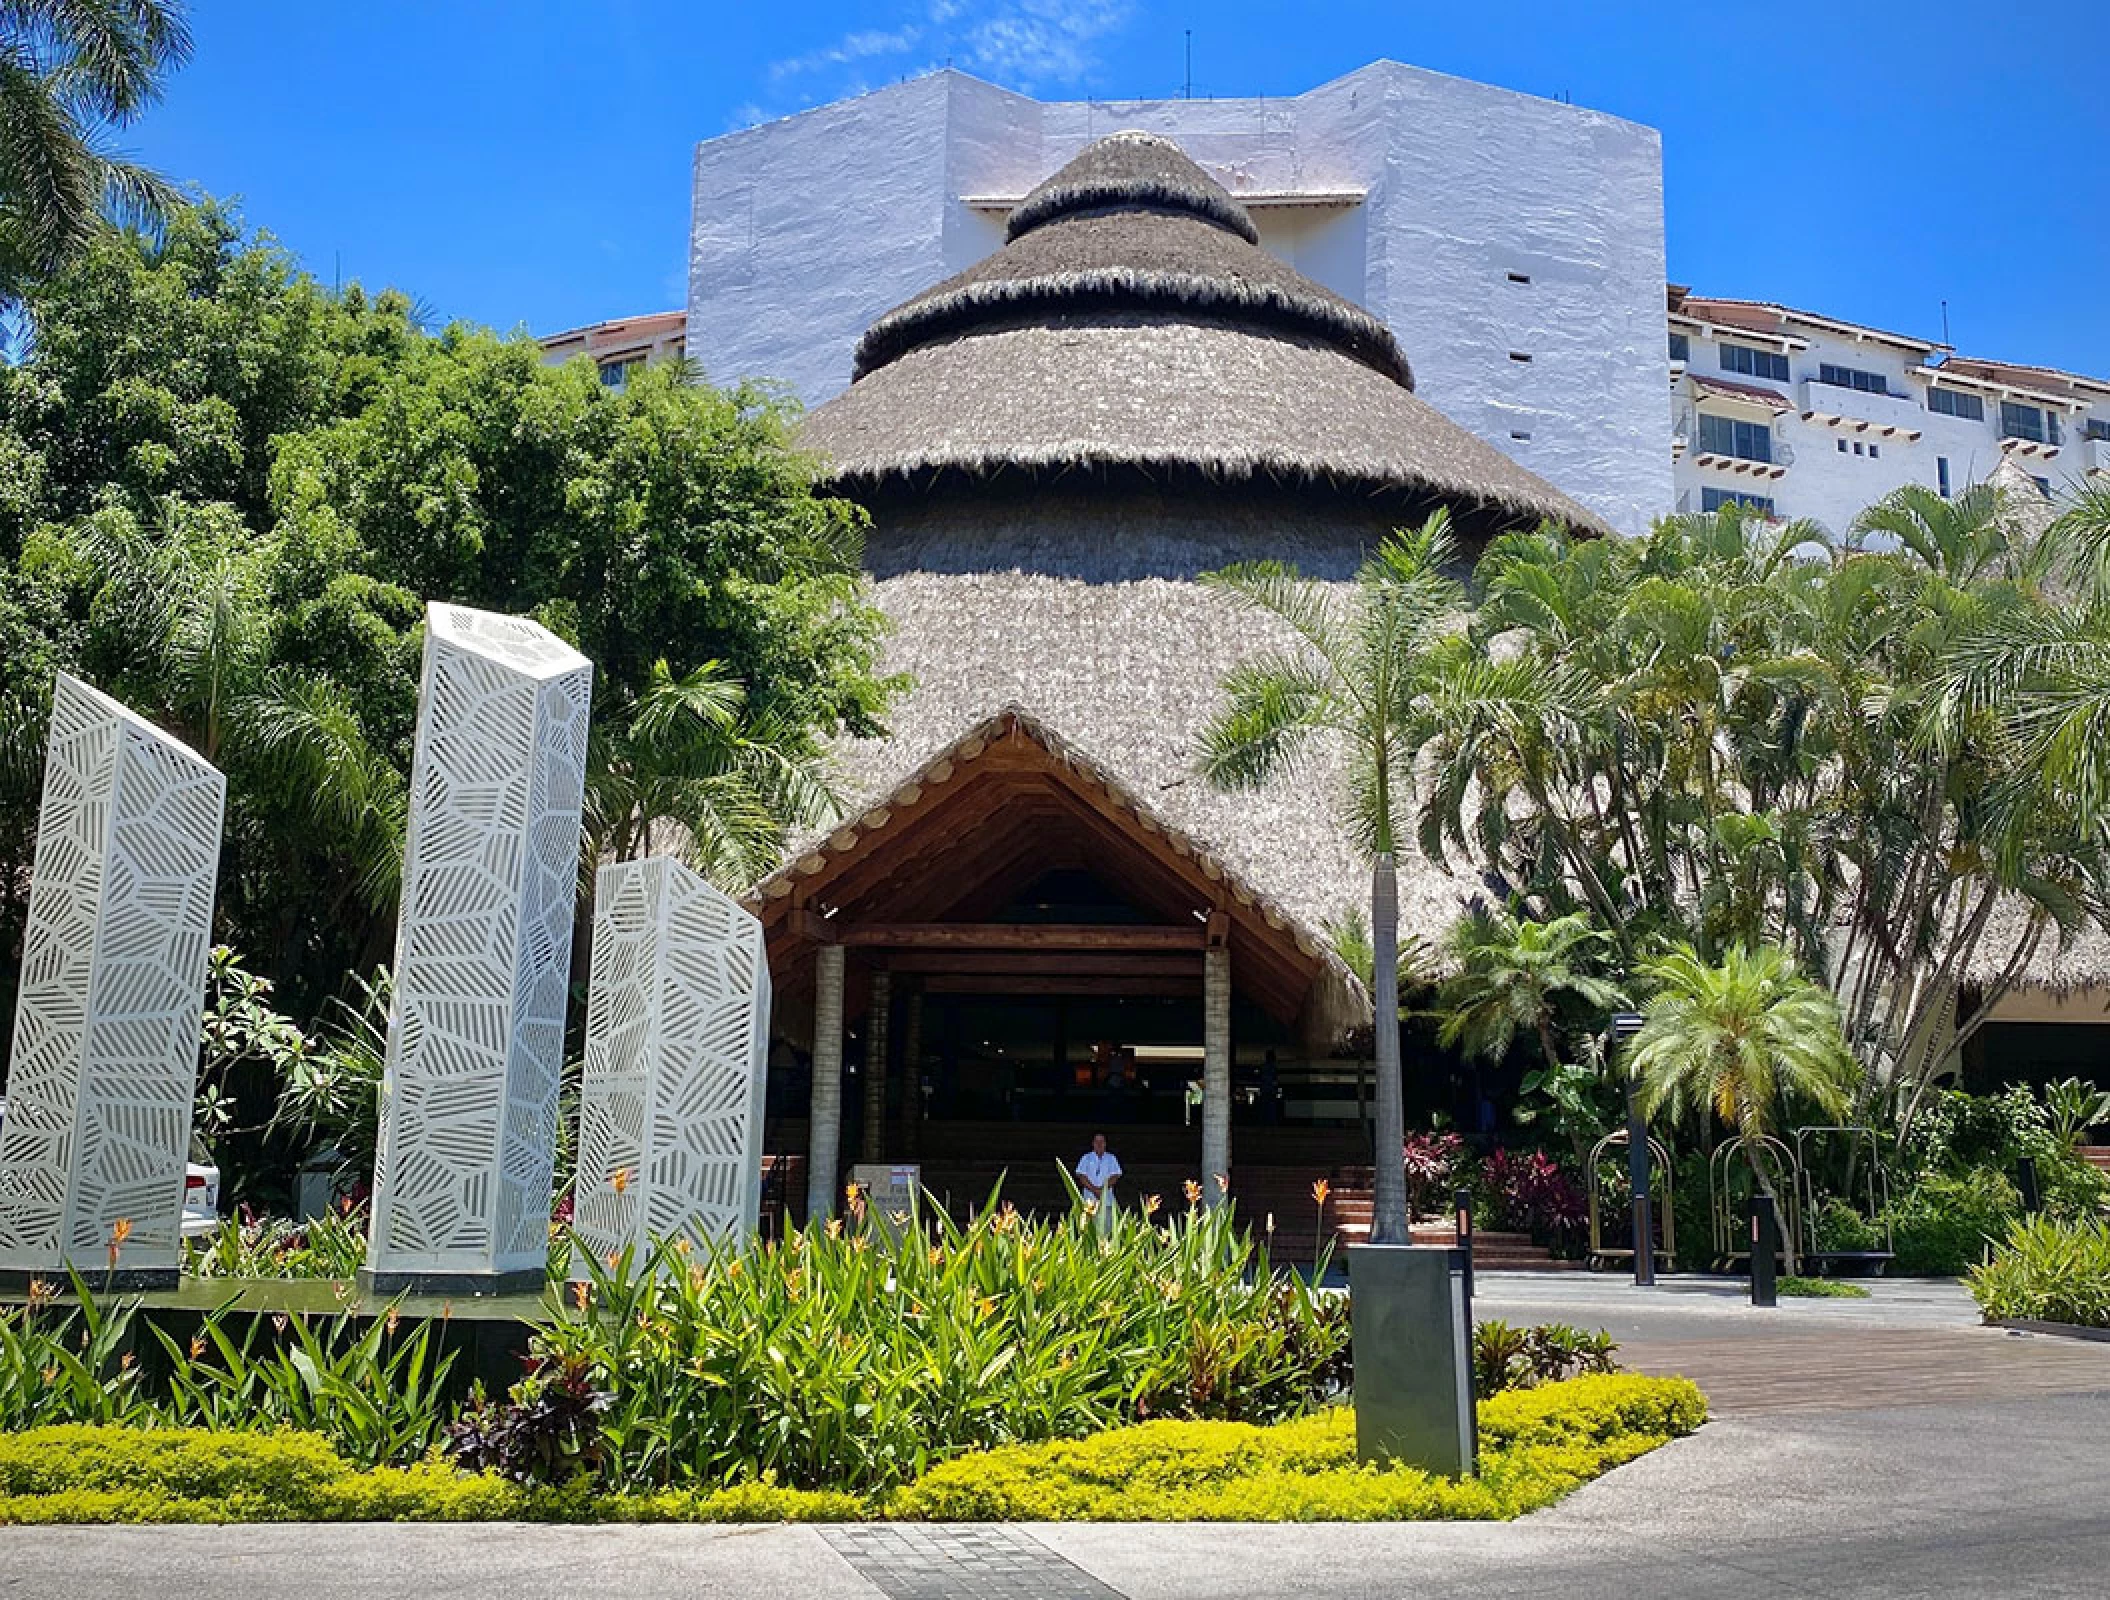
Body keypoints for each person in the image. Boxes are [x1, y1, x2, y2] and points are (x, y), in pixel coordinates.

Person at [1075, 1132, 1122, 1234]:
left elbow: (1115, 1176)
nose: (1099, 1144)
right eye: (1097, 1141)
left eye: (1102, 1141)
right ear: (1093, 1143)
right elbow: (1081, 1176)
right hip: (1089, 1201)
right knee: (1088, 1231)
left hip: (1107, 1201)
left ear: (1105, 1144)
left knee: (1107, 1231)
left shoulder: (1111, 1158)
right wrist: (1095, 1190)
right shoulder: (1086, 1158)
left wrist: (1102, 1190)